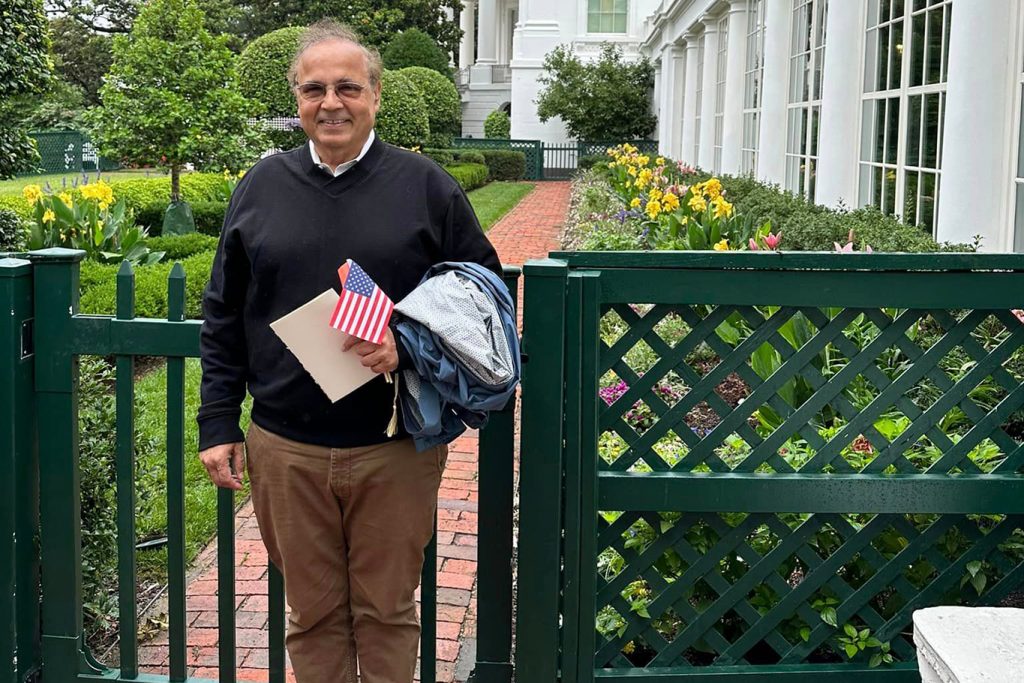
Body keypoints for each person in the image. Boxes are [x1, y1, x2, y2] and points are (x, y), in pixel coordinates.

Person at [197, 19, 500, 683]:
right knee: (311, 615)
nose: (330, 102)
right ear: (297, 99)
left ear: (375, 95)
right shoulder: (260, 185)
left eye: (347, 87)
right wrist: (217, 420)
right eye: (314, 89)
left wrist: (409, 344)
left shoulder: (426, 186)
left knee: (387, 612)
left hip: (393, 447)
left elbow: (483, 293)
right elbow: (224, 310)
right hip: (286, 447)